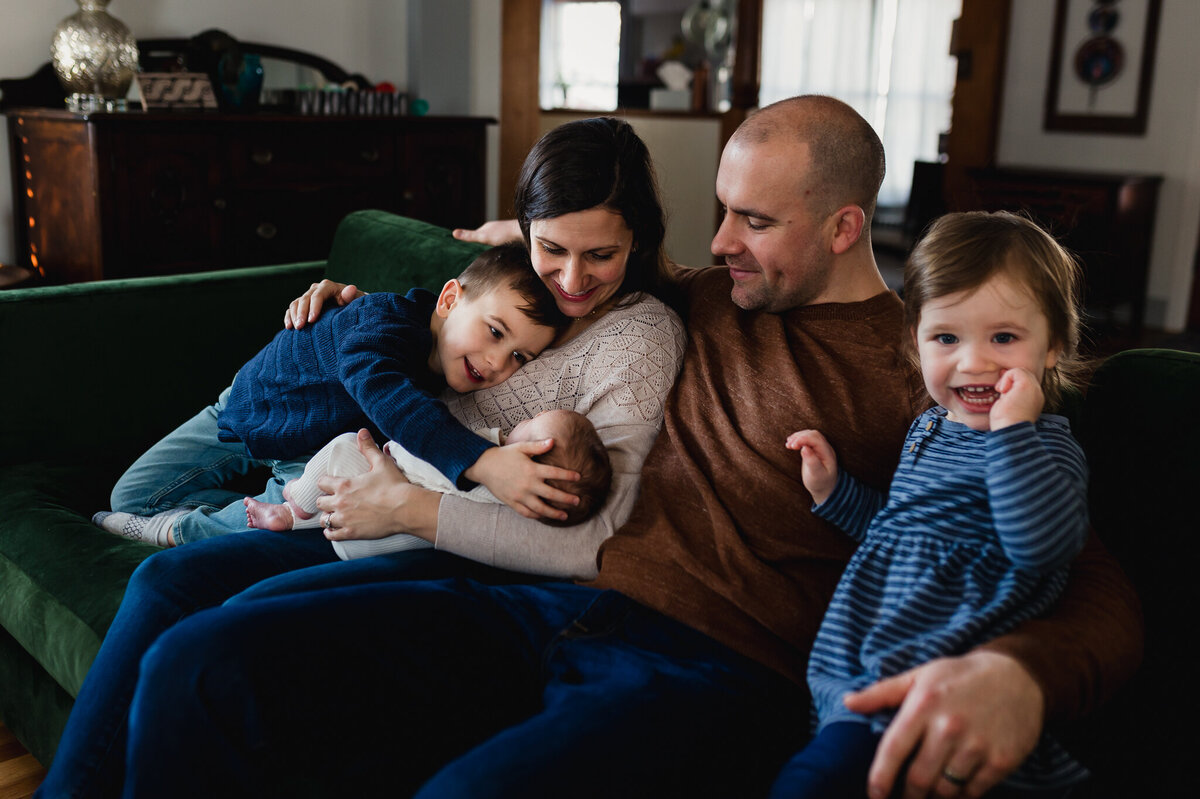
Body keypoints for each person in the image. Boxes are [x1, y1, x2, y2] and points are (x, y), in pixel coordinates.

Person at [88, 96, 1139, 799]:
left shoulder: (931, 364)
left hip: (706, 666)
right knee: (196, 661)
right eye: (720, 214)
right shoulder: (689, 298)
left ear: (842, 228)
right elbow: (539, 279)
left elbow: (1090, 584)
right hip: (525, 598)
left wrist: (1024, 675)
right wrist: (372, 307)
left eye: (753, 221)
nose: (721, 243)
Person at [35, 116, 686, 799]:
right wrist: (350, 310)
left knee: (183, 604)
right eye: (553, 246)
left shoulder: (639, 335)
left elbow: (592, 536)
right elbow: (432, 328)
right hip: (361, 463)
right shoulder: (521, 276)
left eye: (601, 256)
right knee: (163, 586)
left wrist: (412, 507)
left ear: (637, 239)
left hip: (424, 520)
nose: (572, 278)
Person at [771, 211, 1091, 798]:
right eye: (947, 338)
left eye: (1004, 338)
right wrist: (835, 492)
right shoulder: (927, 428)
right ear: (916, 343)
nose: (974, 362)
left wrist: (1011, 433)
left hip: (935, 670)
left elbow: (1042, 546)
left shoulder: (1044, 446)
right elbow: (898, 529)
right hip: (861, 655)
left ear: (1054, 348)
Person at [93, 243, 577, 548]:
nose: (497, 364)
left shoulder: (450, 366)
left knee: (296, 517)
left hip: (306, 461)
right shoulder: (381, 320)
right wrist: (483, 462)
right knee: (131, 496)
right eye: (495, 332)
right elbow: (386, 393)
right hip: (248, 413)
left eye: (520, 358)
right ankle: (217, 515)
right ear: (449, 300)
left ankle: (187, 529)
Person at [245, 409, 612, 556]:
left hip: (372, 532)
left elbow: (426, 464)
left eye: (529, 428)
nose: (521, 424)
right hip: (385, 543)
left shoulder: (480, 475)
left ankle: (294, 501)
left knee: (344, 445)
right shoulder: (507, 506)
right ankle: (294, 519)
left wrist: (391, 452)